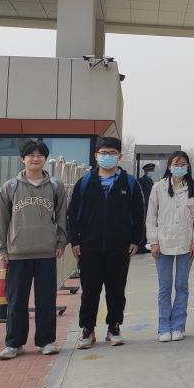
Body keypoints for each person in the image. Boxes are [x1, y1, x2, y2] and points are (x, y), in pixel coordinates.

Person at [67, 136, 145, 349]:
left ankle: (114, 327)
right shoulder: (85, 183)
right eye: (103, 153)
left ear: (119, 156)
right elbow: (72, 214)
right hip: (89, 246)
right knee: (89, 290)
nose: (107, 157)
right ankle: (87, 329)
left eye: (112, 153)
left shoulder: (129, 183)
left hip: (119, 247)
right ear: (96, 156)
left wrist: (135, 240)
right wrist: (75, 240)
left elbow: (138, 214)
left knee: (116, 290)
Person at [0, 139, 68, 360]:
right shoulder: (10, 187)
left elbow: (62, 217)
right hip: (17, 252)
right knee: (16, 301)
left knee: (46, 300)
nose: (35, 159)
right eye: (30, 155)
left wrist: (61, 242)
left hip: (46, 252)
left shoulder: (56, 186)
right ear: (22, 159)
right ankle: (14, 344)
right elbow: (2, 219)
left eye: (39, 155)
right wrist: (2, 248)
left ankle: (46, 341)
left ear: (45, 159)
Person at [146, 151, 194, 343]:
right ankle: (164, 327)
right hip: (163, 244)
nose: (179, 167)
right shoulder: (158, 187)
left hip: (186, 243)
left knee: (181, 286)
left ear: (188, 167)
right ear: (169, 166)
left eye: (183, 164)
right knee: (164, 287)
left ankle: (178, 325)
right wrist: (153, 241)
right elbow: (151, 217)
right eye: (176, 164)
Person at [136, 164, 156, 254]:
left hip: (149, 206)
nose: (152, 172)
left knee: (147, 226)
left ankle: (143, 244)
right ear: (146, 171)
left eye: (152, 170)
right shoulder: (140, 181)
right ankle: (140, 245)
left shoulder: (150, 181)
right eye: (150, 171)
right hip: (143, 206)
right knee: (142, 226)